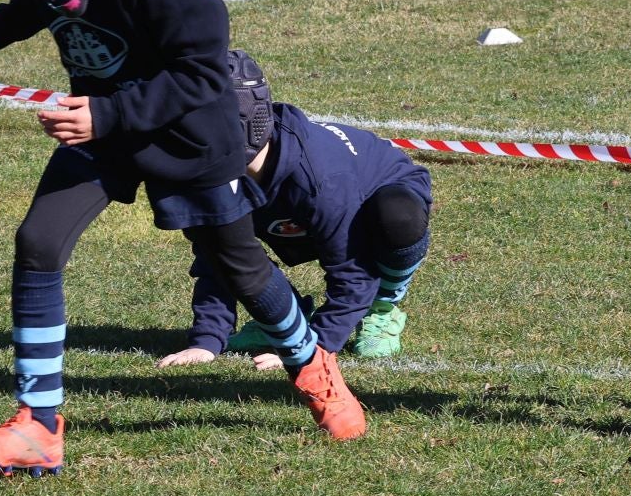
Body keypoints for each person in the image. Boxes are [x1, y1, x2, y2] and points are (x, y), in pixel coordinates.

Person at [0, 0, 369, 475]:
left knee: (243, 268)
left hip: (187, 134)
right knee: (39, 241)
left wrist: (107, 116)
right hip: (106, 128)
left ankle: (313, 365)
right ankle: (39, 425)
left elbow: (201, 69)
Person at [156, 51, 434, 369]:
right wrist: (206, 341)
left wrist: (311, 348)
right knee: (235, 245)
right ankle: (286, 315)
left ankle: (384, 306)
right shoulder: (212, 170)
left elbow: (353, 275)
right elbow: (217, 256)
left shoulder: (322, 180)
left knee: (398, 217)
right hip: (298, 210)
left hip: (377, 196)